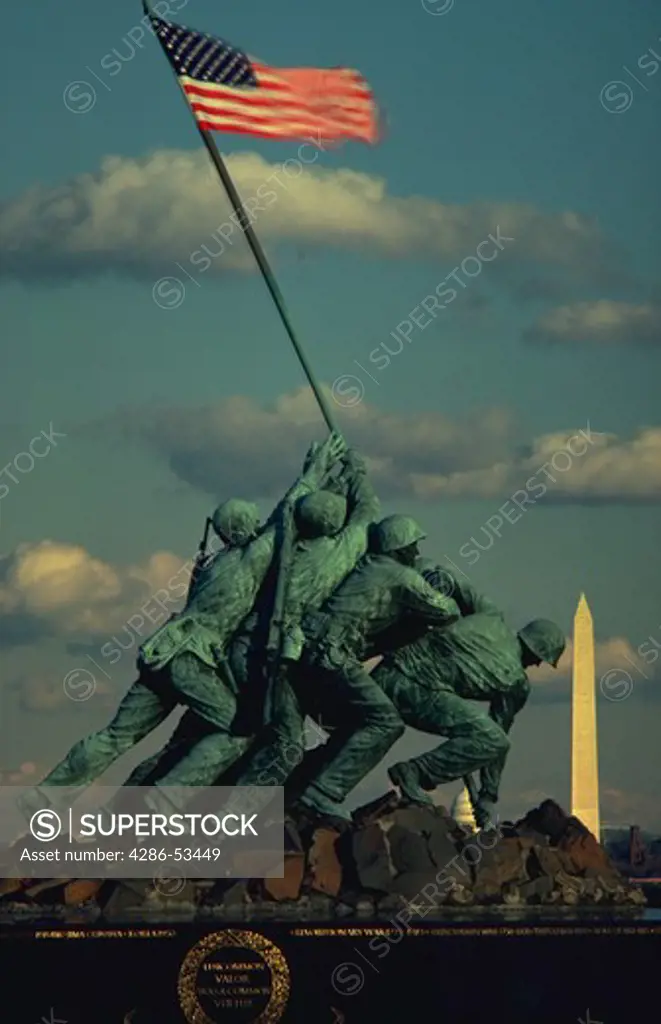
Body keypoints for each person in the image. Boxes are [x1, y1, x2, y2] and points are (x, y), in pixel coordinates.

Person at [18, 432, 347, 816]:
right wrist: (316, 470)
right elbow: (286, 516)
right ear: (244, 528)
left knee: (115, 736)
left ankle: (41, 800)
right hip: (189, 658)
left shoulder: (213, 564)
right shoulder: (246, 561)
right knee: (235, 730)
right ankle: (162, 803)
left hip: (162, 651)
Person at [288, 514, 461, 822]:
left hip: (312, 653)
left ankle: (300, 785)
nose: (416, 554)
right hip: (332, 655)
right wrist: (436, 585)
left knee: (352, 723)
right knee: (385, 721)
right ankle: (322, 792)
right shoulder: (399, 575)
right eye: (413, 547)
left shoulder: (368, 567)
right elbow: (446, 611)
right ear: (398, 547)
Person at [373, 570, 565, 827]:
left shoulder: (490, 614)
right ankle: (415, 772)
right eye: (542, 659)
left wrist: (430, 581)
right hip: (416, 691)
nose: (539, 665)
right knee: (493, 740)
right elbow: (496, 739)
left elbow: (453, 582)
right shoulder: (516, 683)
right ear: (538, 653)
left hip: (385, 673)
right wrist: (488, 795)